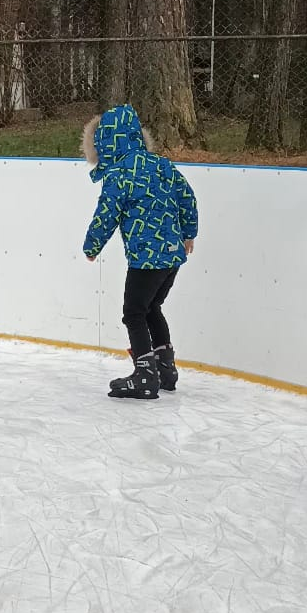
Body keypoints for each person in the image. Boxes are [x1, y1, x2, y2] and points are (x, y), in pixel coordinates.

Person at [82, 103, 198, 399]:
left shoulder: (119, 176)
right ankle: (165, 370)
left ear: (105, 145)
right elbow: (187, 197)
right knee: (152, 309)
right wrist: (188, 233)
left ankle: (146, 376)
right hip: (172, 256)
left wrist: (92, 245)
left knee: (134, 313)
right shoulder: (162, 165)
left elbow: (106, 214)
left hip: (146, 259)